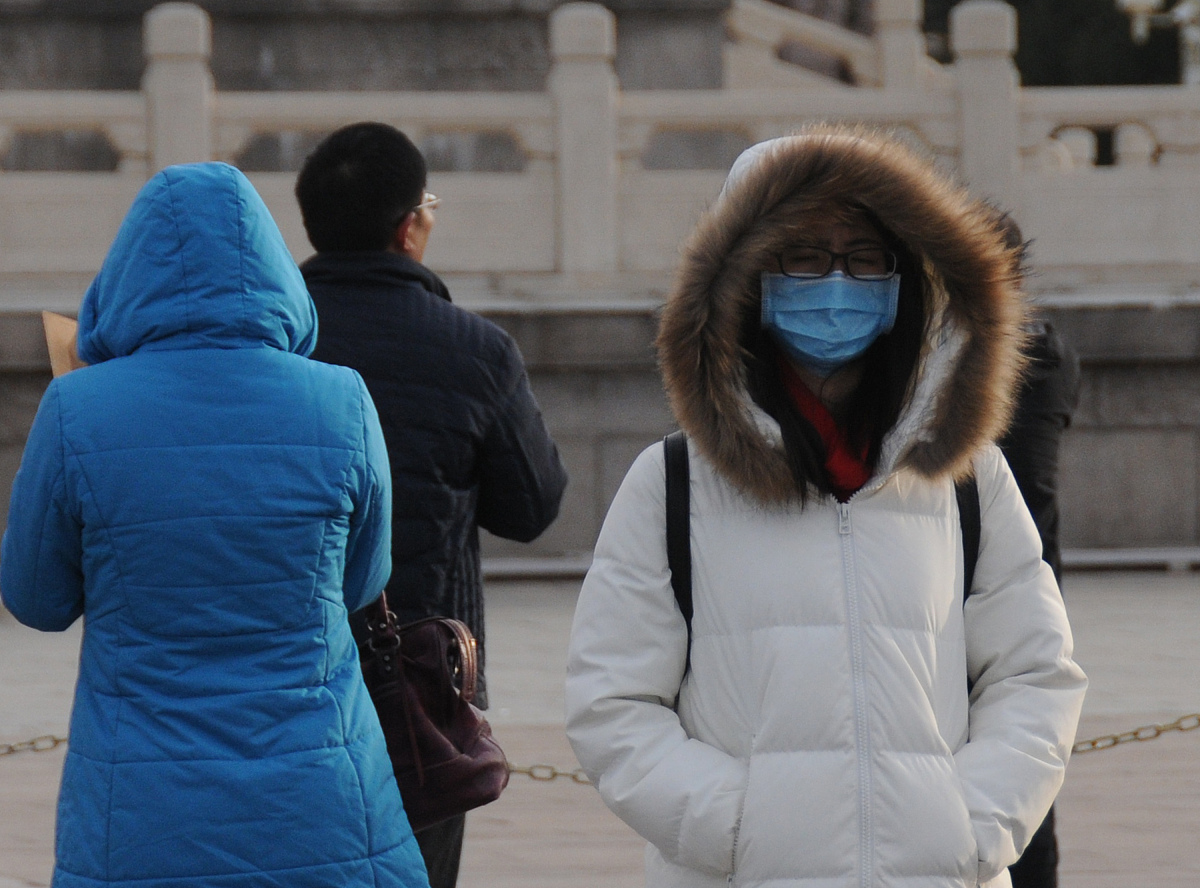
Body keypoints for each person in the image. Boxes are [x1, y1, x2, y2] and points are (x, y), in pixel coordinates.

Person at [564, 124, 1087, 888]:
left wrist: (968, 825)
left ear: (908, 278)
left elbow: (1035, 674)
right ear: (743, 278)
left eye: (864, 259)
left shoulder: (967, 478)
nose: (836, 283)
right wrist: (742, 829)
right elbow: (613, 703)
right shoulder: (673, 482)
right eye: (803, 257)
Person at [0, 163, 429, 887]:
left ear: (127, 276)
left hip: (141, 818)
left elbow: (35, 600)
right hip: (322, 804)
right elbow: (363, 582)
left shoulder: (78, 409)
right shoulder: (341, 399)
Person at [294, 121, 568, 888]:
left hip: (282, 670)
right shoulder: (474, 349)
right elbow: (532, 506)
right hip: (423, 683)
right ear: (410, 225)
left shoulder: (274, 345)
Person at [991, 212, 1082, 888]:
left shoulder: (1025, 356)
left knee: (1016, 787)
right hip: (1029, 590)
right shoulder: (1048, 349)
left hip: (1010, 592)